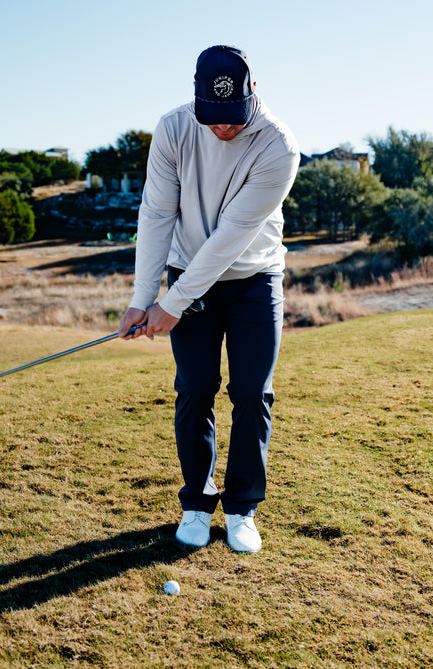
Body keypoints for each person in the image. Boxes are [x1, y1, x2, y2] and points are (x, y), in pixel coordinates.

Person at [119, 44, 299, 553]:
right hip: (186, 271)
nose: (223, 128)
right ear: (195, 97)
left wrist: (172, 303)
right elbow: (156, 214)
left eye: (233, 117)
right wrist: (143, 296)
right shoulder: (174, 128)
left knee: (251, 393)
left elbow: (232, 236)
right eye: (213, 118)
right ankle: (197, 503)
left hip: (253, 278)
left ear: (254, 92)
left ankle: (242, 509)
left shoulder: (278, 146)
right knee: (195, 388)